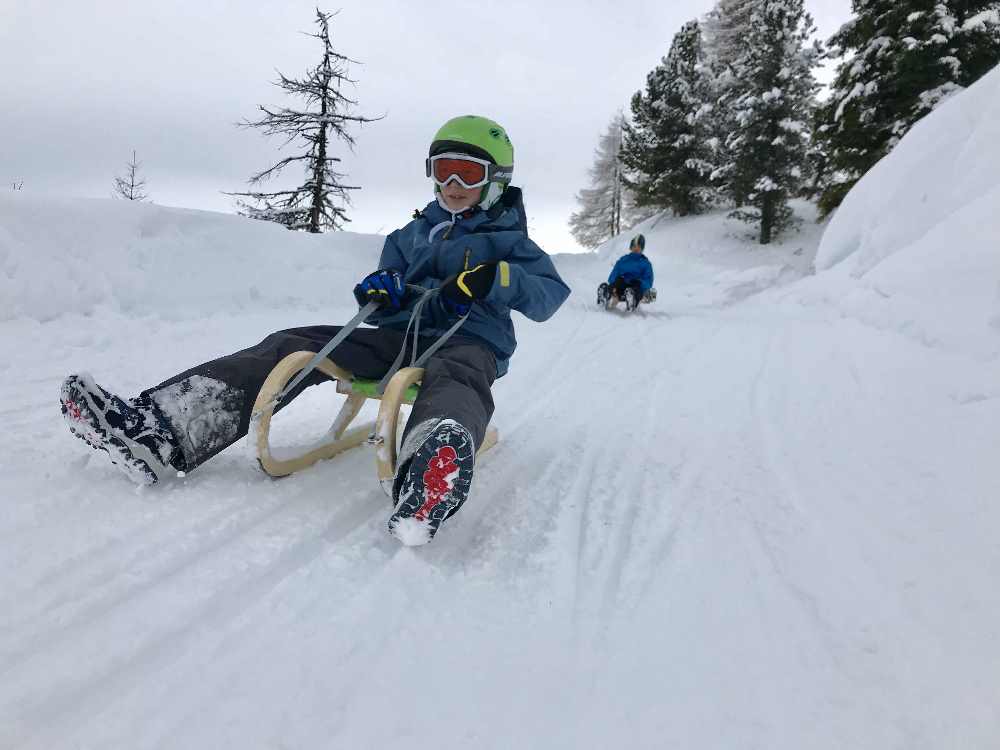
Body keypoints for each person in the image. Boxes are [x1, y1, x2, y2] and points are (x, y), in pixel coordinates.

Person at [60, 115, 570, 546]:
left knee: (458, 377)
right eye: (444, 171)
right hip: (397, 340)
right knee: (296, 345)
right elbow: (381, 295)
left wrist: (496, 278)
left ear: (495, 180)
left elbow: (548, 295)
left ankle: (429, 469)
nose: (453, 185)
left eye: (468, 173)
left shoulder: (509, 240)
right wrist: (381, 291)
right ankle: (161, 430)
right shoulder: (409, 235)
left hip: (467, 339)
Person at [597, 234, 654, 311]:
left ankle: (632, 300)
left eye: (639, 247)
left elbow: (648, 280)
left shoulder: (645, 263)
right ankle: (605, 294)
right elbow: (615, 272)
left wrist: (640, 283)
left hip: (635, 286)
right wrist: (613, 284)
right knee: (618, 280)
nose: (636, 248)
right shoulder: (624, 260)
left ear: (642, 249)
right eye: (634, 246)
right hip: (622, 285)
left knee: (635, 287)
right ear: (631, 247)